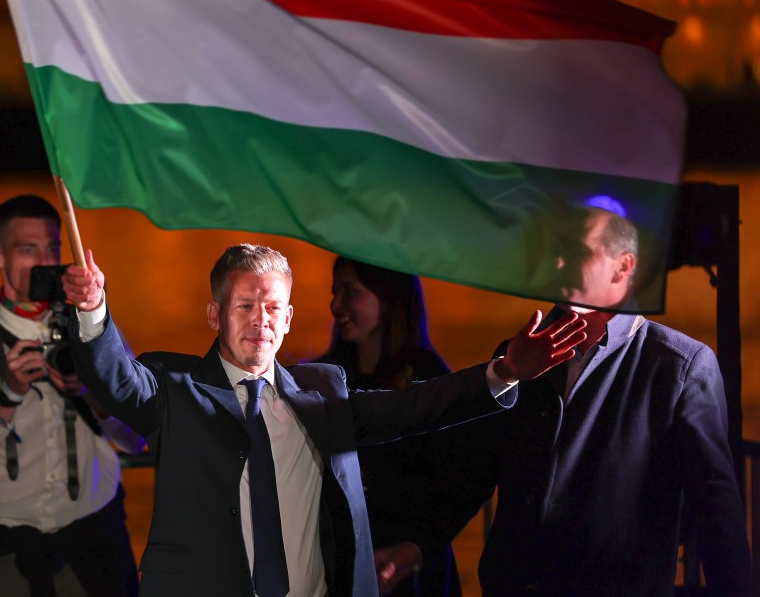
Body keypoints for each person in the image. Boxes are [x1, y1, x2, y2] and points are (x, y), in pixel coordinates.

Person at [63, 243, 587, 597]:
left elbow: (415, 405)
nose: (260, 321)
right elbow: (118, 380)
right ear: (215, 315)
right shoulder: (177, 391)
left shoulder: (322, 394)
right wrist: (93, 310)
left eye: (272, 308)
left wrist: (503, 371)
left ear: (289, 319)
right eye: (244, 305)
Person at [477, 206, 752, 595]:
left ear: (623, 267)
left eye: (575, 251)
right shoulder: (518, 353)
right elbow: (477, 464)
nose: (557, 262)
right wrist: (417, 545)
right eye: (555, 249)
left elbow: (715, 510)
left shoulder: (680, 364)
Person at [0, 194, 142, 597]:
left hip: (96, 544)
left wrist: (94, 394)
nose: (43, 261)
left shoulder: (95, 333)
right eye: (26, 249)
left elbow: (136, 439)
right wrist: (7, 396)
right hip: (6, 550)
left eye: (52, 248)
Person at [315, 257, 491, 597]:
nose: (336, 304)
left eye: (350, 291)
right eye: (335, 291)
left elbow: (469, 478)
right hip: (336, 572)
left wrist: (416, 547)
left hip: (407, 580)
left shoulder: (431, 382)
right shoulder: (322, 376)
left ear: (389, 298)